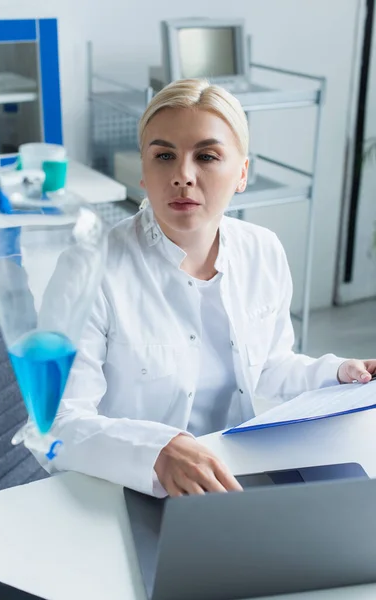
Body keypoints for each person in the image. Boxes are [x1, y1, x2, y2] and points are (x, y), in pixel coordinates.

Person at [33, 78, 376, 498]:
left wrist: (337, 373)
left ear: (242, 173)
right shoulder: (89, 271)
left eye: (208, 156)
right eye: (164, 155)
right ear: (143, 169)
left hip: (242, 475)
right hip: (136, 489)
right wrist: (155, 451)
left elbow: (268, 369)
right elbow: (55, 424)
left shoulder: (263, 251)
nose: (182, 175)